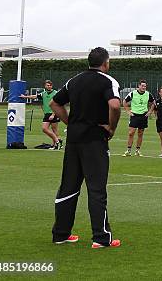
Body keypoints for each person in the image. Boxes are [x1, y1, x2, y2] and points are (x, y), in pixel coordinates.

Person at [49, 47, 121, 248]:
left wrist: (70, 122)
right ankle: (101, 237)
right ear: (106, 63)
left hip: (73, 140)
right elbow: (115, 105)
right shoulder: (108, 81)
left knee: (68, 187)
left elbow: (55, 103)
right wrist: (111, 127)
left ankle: (61, 234)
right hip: (95, 140)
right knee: (96, 189)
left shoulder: (74, 81)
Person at [20, 80, 63, 150]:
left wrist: (53, 114)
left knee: (54, 129)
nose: (49, 86)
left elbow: (58, 104)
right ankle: (57, 141)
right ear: (45, 86)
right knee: (45, 129)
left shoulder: (55, 93)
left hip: (54, 113)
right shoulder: (44, 94)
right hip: (47, 114)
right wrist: (25, 97)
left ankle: (55, 144)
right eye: (47, 85)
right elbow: (34, 96)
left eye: (50, 85)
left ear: (51, 86)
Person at [123, 80, 155, 157]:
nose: (144, 87)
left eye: (145, 86)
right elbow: (124, 101)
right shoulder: (133, 93)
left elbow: (153, 103)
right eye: (142, 86)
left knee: (140, 133)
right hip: (134, 115)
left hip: (143, 116)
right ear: (139, 86)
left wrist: (150, 111)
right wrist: (128, 111)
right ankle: (128, 150)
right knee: (131, 133)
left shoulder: (148, 94)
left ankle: (137, 150)